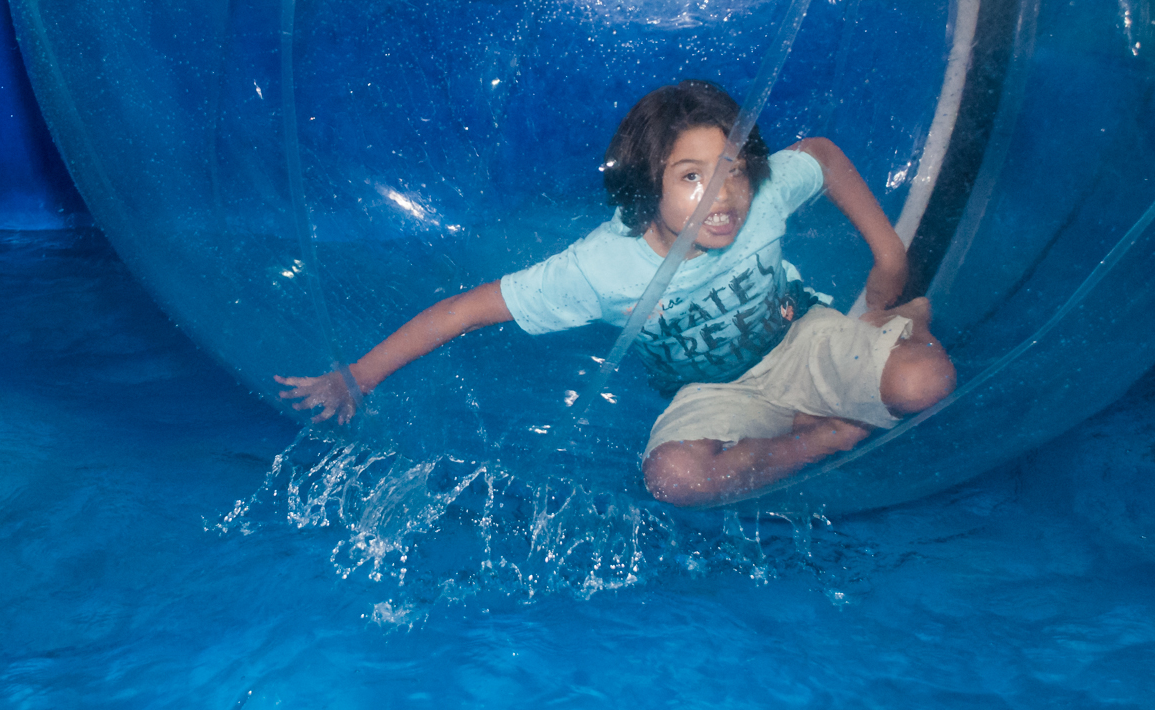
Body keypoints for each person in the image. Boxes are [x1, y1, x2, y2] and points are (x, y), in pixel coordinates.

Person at [275, 80, 955, 507]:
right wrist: (357, 376)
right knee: (673, 480)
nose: (723, 197)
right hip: (711, 391)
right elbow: (466, 308)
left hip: (802, 339)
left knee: (931, 379)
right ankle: (825, 437)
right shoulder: (602, 267)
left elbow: (825, 155)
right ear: (645, 186)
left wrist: (888, 255)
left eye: (732, 171)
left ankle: (896, 320)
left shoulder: (764, 197)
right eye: (692, 177)